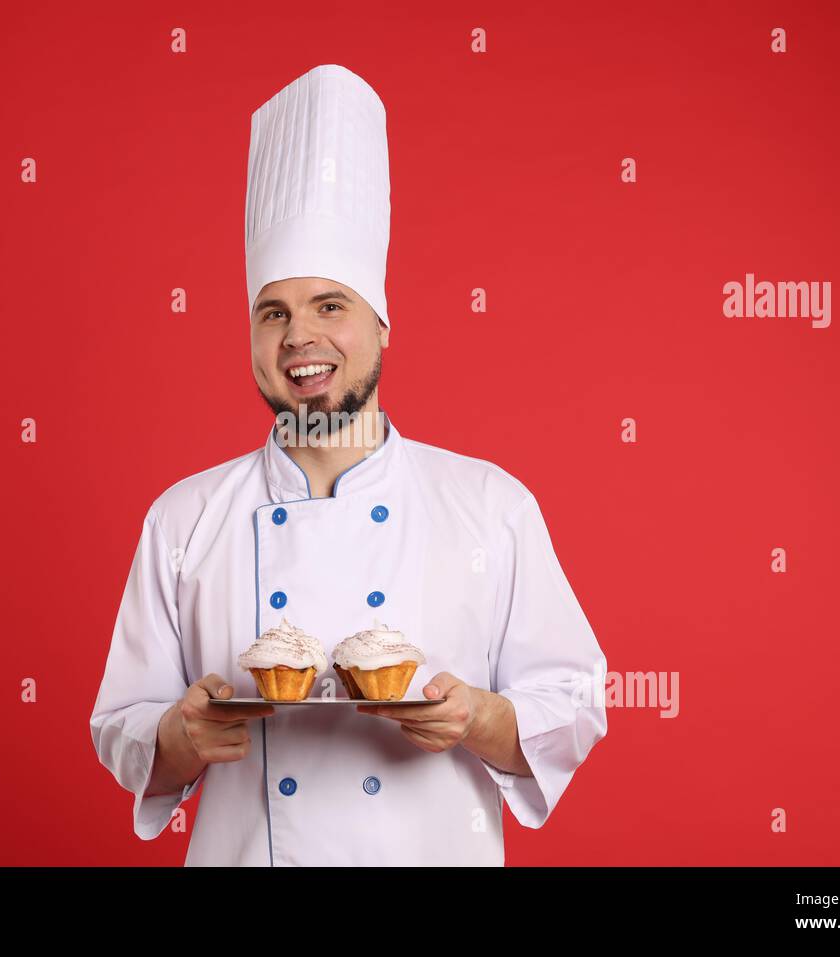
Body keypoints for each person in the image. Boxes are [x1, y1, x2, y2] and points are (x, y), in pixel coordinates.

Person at [89, 63, 607, 866]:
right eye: (275, 313)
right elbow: (120, 723)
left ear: (382, 324)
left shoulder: (490, 505)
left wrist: (477, 718)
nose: (300, 338)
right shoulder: (183, 519)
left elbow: (573, 702)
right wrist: (176, 735)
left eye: (331, 305)